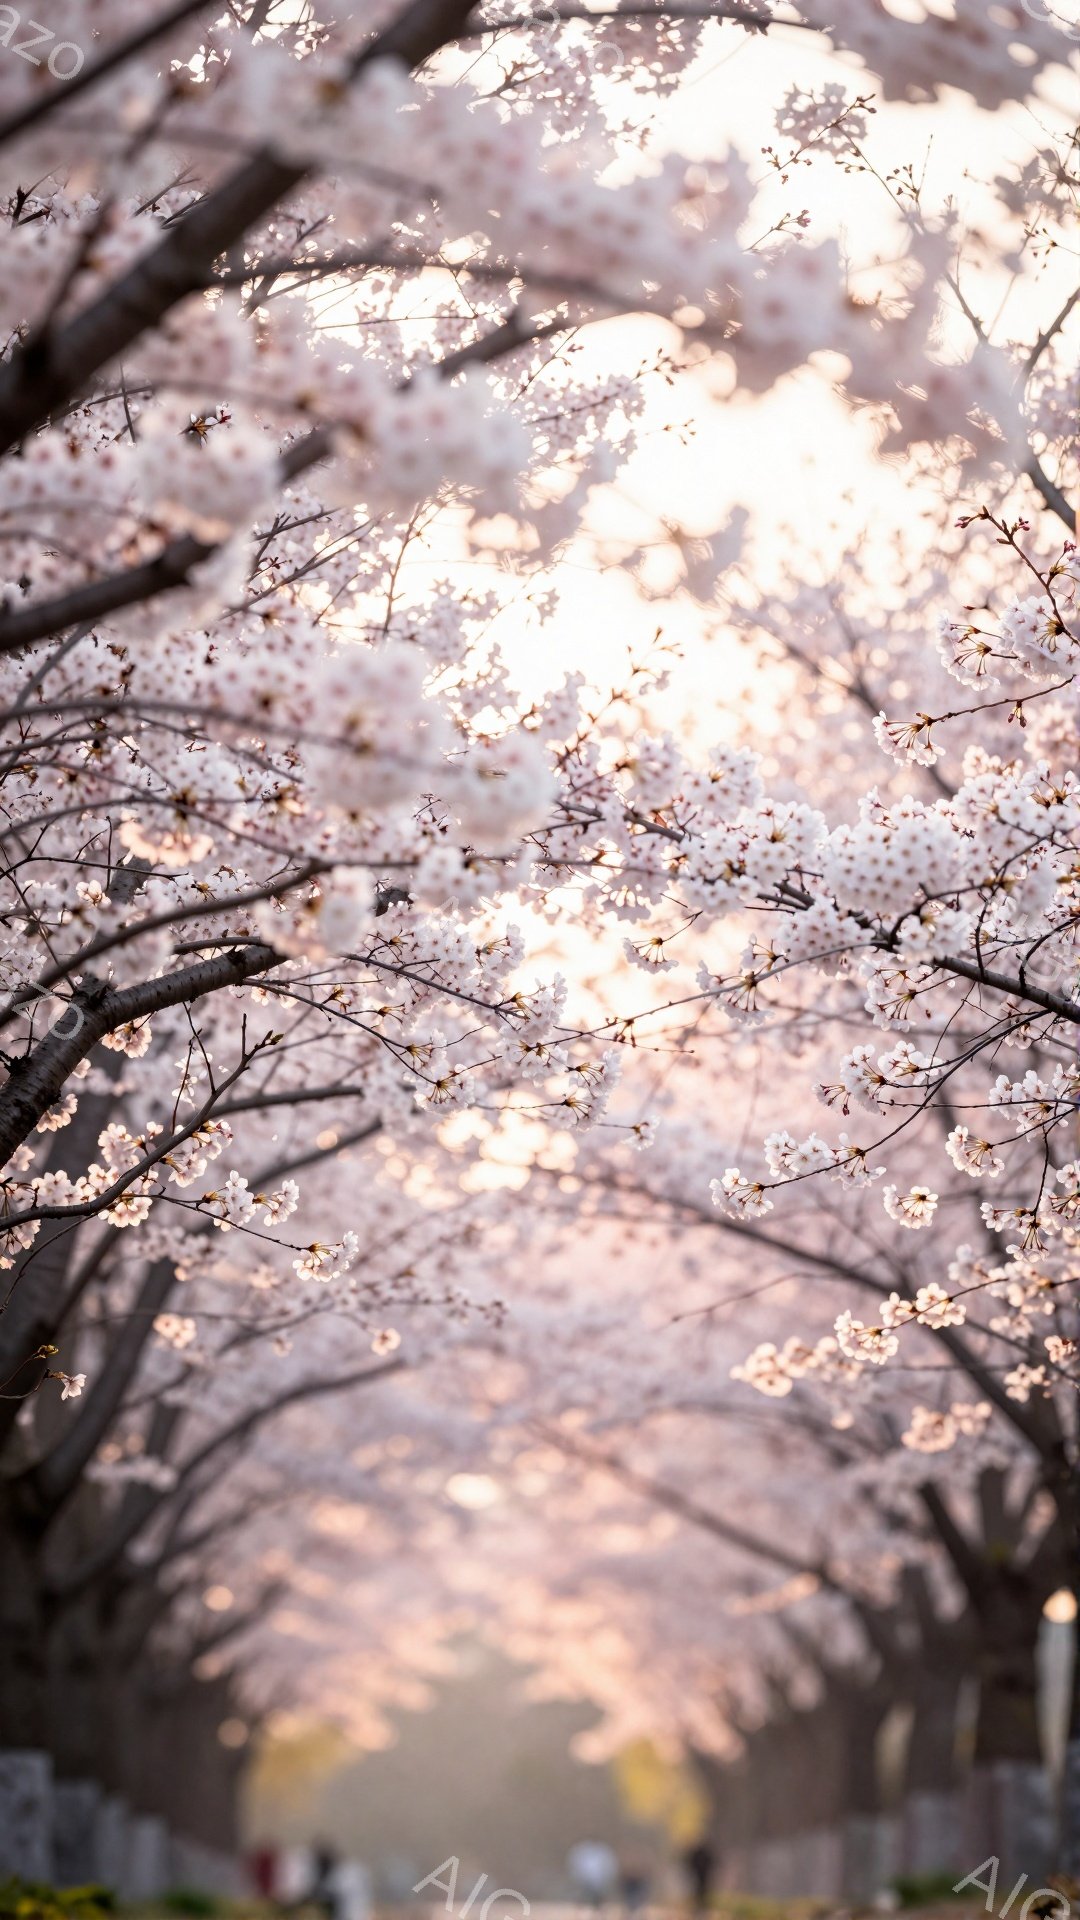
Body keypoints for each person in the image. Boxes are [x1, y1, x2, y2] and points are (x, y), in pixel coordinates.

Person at [568, 1840, 617, 1909]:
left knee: (598, 1899)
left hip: (599, 1883)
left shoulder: (602, 1852)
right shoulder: (582, 1851)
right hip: (585, 1882)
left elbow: (608, 1867)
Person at [681, 1839, 716, 1914]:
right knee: (701, 1891)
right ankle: (701, 1906)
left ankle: (700, 1906)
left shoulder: (698, 1853)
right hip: (702, 1875)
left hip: (699, 1875)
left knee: (700, 1891)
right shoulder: (705, 1853)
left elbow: (689, 1861)